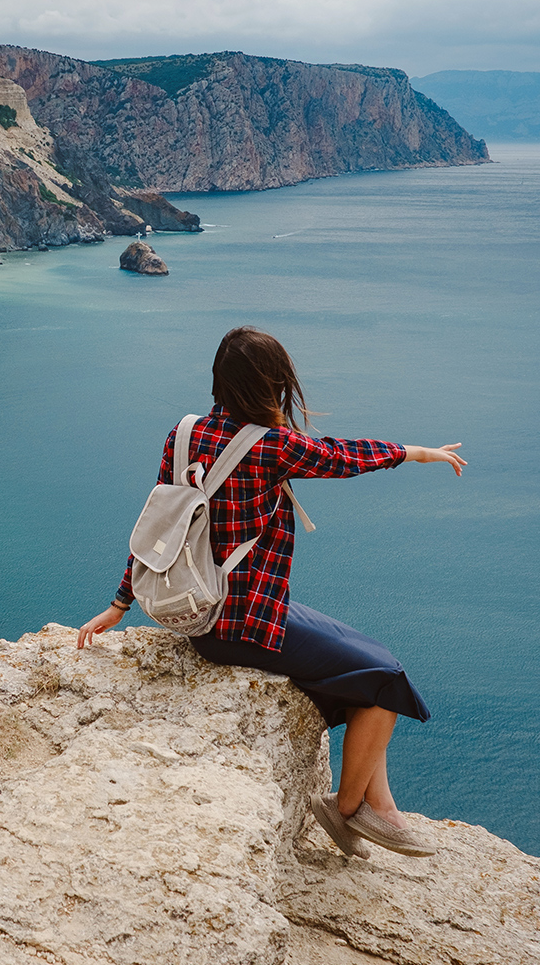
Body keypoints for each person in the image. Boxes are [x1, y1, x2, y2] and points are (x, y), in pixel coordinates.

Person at [75, 327, 465, 859]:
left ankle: (382, 806)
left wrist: (120, 603)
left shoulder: (184, 433)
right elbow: (341, 457)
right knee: (385, 679)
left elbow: (157, 529)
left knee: (370, 662)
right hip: (241, 627)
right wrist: (419, 453)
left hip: (207, 612)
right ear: (272, 385)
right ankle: (345, 809)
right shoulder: (271, 446)